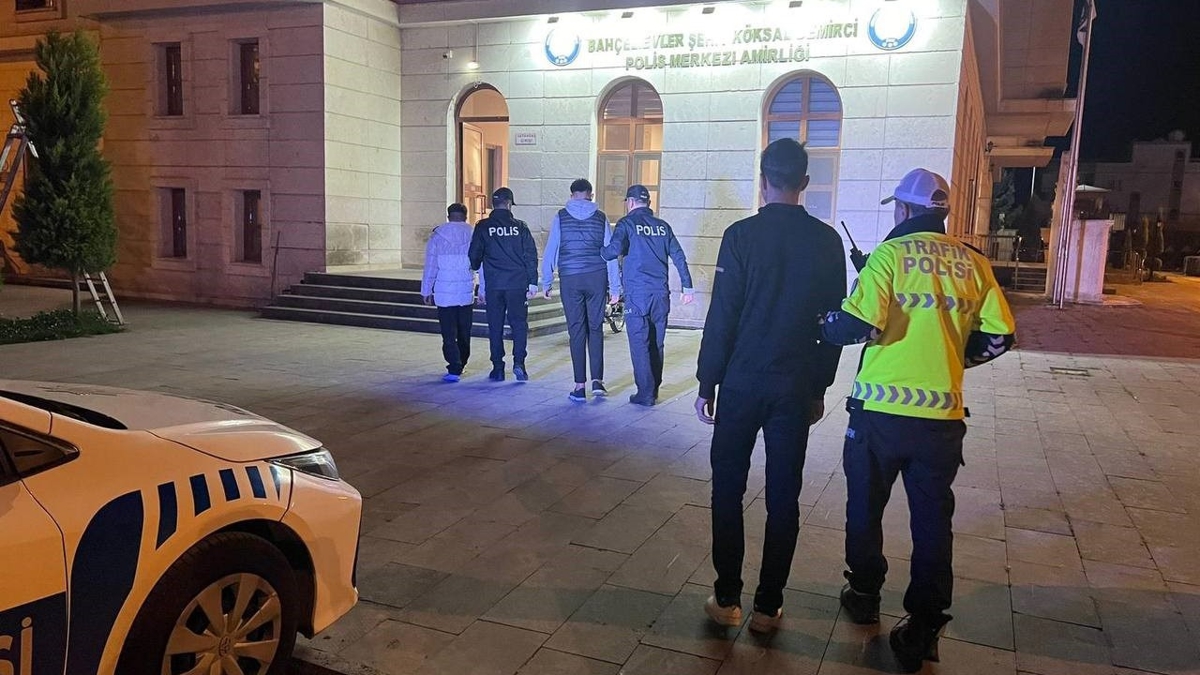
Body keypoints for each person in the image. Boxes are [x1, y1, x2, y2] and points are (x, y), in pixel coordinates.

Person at [819, 168, 1016, 672]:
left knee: (866, 509)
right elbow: (1000, 337)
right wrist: (955, 357)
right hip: (941, 421)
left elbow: (856, 326)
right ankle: (924, 626)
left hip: (880, 416)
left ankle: (865, 594)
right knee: (932, 522)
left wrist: (826, 323)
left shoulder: (889, 256)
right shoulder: (974, 262)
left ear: (904, 210)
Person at [695, 138, 847, 633]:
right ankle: (768, 606)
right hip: (794, 386)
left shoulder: (740, 236)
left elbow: (723, 314)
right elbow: (832, 326)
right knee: (784, 495)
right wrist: (820, 387)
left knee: (727, 489)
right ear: (804, 182)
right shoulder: (827, 242)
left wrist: (707, 381)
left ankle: (727, 598)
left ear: (762, 181)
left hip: (741, 383)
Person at [602, 184, 694, 406]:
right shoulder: (663, 227)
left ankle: (645, 393)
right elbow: (679, 256)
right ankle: (654, 387)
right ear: (649, 203)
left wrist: (600, 251)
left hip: (637, 294)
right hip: (660, 294)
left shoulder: (627, 223)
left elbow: (613, 251)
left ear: (631, 202)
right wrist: (687, 286)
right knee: (656, 342)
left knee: (639, 343)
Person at [541, 179, 622, 402]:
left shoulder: (561, 216)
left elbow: (551, 249)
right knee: (595, 329)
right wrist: (615, 287)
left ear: (571, 195)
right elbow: (610, 254)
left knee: (576, 330)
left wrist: (546, 281)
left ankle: (579, 386)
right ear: (590, 195)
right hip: (596, 277)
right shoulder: (600, 217)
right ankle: (597, 382)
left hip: (571, 278)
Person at [469, 187, 539, 382]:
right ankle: (519, 364)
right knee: (519, 325)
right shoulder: (520, 227)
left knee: (495, 326)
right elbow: (530, 255)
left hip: (494, 284)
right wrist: (532, 281)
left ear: (493, 204)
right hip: (517, 284)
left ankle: (498, 368)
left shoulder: (483, 226)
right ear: (509, 204)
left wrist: (475, 266)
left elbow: (474, 254)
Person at [421, 203, 480, 382]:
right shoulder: (473, 234)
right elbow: (481, 265)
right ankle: (461, 362)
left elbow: (430, 265)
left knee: (448, 332)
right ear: (465, 216)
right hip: (465, 292)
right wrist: (483, 289)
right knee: (464, 331)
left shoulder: (437, 236)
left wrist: (426, 290)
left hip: (443, 293)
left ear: (448, 216)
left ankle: (454, 366)